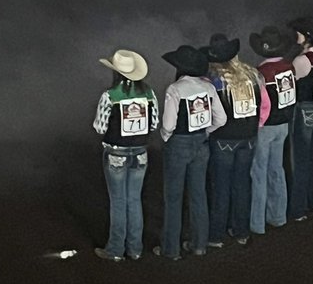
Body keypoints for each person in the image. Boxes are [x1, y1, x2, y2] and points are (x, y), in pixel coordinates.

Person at [155, 44, 226, 261]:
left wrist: (166, 136)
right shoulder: (208, 88)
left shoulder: (175, 89)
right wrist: (206, 132)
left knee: (173, 198)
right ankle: (199, 244)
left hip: (179, 144)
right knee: (198, 195)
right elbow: (221, 119)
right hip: (201, 144)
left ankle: (171, 249)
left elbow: (169, 124)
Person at [92, 49, 158, 262]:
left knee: (118, 202)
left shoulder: (110, 96)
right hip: (140, 152)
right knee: (134, 199)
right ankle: (135, 248)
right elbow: (154, 124)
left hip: (116, 152)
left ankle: (115, 249)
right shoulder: (149, 94)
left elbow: (100, 127)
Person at [205, 33, 269, 246]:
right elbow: (264, 105)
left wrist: (208, 132)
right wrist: (256, 126)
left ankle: (216, 235)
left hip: (224, 138)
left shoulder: (214, 81)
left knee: (221, 186)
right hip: (248, 137)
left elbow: (212, 113)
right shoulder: (253, 75)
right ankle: (241, 231)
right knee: (242, 184)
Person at [249, 26, 296, 235]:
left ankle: (257, 223)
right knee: (277, 169)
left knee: (259, 172)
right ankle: (278, 216)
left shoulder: (261, 73)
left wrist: (257, 125)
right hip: (283, 124)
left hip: (266, 127)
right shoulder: (289, 67)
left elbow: (262, 104)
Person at [286, 20, 313, 221]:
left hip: (306, 109)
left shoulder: (302, 60)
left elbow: (292, 82)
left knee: (301, 159)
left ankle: (298, 208)